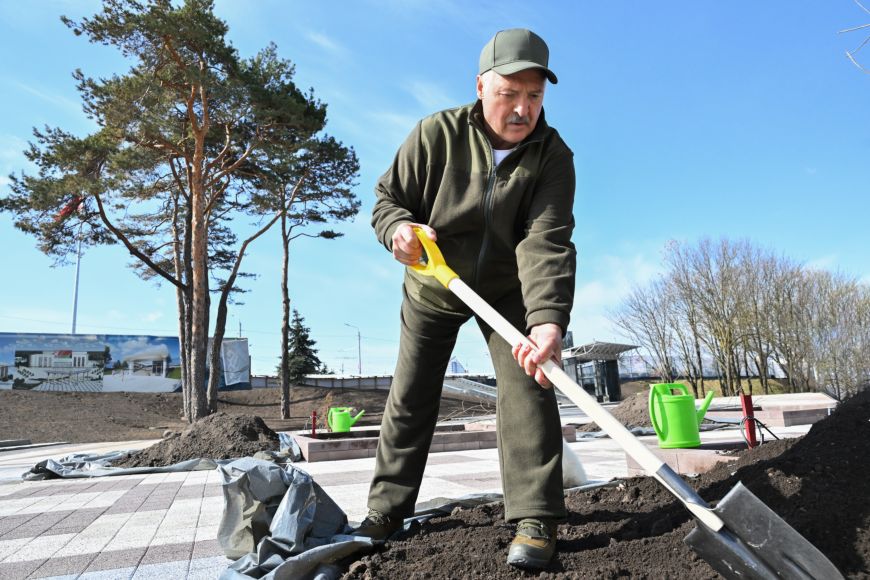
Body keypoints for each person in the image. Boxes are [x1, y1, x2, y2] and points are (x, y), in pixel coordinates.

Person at [357, 28, 576, 570]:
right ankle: (386, 511)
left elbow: (545, 238)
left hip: (506, 290)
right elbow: (388, 199)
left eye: (535, 96)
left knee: (530, 385)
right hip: (434, 283)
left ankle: (535, 519)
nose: (523, 108)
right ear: (481, 86)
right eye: (510, 93)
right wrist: (398, 231)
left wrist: (547, 321)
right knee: (410, 394)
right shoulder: (436, 134)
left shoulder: (552, 157)